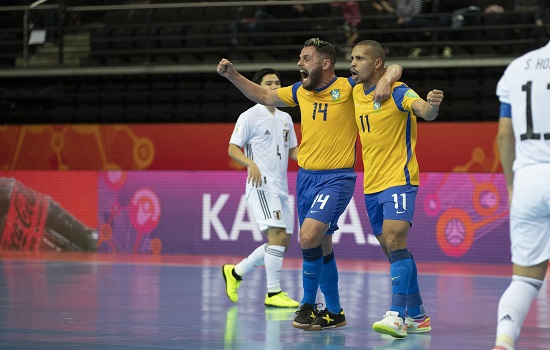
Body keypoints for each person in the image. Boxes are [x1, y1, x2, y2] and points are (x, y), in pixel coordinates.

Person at [217, 37, 403, 330]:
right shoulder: (300, 92)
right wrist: (232, 75)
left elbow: (392, 67)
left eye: (306, 58)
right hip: (306, 178)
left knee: (307, 236)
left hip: (337, 177)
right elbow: (265, 97)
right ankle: (334, 311)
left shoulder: (348, 87)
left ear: (325, 64)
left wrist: (387, 79)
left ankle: (306, 303)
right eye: (300, 58)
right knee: (322, 244)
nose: (299, 63)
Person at [349, 40, 443, 338]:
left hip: (399, 179)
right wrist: (388, 74)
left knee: (394, 239)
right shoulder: (353, 90)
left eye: (359, 58)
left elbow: (425, 112)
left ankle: (396, 315)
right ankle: (418, 315)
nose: (352, 63)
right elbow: (391, 67)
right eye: (351, 57)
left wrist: (433, 105)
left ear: (376, 63)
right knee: (392, 248)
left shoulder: (400, 91)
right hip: (371, 184)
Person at [222, 68, 300, 308]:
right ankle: (273, 293)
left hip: (281, 186)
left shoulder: (286, 118)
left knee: (282, 241)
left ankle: (235, 272)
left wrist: (316, 157)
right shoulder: (249, 116)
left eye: (278, 82)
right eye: (269, 83)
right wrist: (250, 163)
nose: (275, 86)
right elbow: (233, 148)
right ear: (258, 88)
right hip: (261, 185)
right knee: (276, 236)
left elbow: (294, 152)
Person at [492, 41, 550, 350]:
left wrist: (513, 185)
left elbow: (504, 135)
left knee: (525, 280)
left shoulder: (518, 67)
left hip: (528, 180)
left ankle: (503, 341)